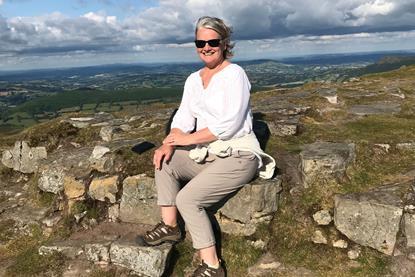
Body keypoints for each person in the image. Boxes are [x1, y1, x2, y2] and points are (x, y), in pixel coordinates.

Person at [138, 16, 275, 277]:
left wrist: (187, 140)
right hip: (209, 152)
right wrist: (169, 142)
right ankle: (170, 227)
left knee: (188, 199)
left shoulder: (235, 74)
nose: (206, 47)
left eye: (212, 41)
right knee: (164, 159)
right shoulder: (193, 79)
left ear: (224, 43)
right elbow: (183, 118)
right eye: (201, 42)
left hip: (238, 154)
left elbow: (231, 124)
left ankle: (212, 266)